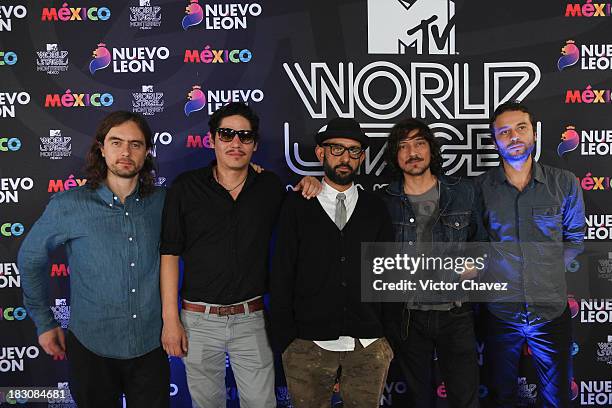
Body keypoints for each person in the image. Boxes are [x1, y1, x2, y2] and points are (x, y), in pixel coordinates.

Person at [18, 111, 170, 408]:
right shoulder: (69, 205)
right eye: (116, 142)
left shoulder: (165, 202)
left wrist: (246, 173)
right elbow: (30, 259)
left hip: (151, 346)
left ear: (147, 152)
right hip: (91, 348)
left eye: (135, 144)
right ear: (102, 148)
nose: (125, 152)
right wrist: (44, 322)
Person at [160, 102, 283, 407]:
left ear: (254, 144)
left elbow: (299, 234)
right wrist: (170, 319)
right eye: (227, 134)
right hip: (197, 320)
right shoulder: (186, 188)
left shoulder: (269, 187)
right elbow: (169, 255)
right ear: (212, 139)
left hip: (251, 318)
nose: (236, 143)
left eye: (245, 136)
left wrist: (310, 185)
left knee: (262, 403)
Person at [270, 117, 395, 408]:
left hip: (368, 344)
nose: (345, 158)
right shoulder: (297, 204)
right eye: (336, 149)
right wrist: (289, 340)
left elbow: (388, 273)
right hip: (307, 343)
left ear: (362, 157)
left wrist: (386, 338)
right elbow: (282, 272)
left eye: (353, 151)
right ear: (320, 153)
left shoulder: (375, 208)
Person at [476, 100, 585, 407]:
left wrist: (545, 272)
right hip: (500, 314)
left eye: (521, 128)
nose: (514, 137)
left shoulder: (564, 183)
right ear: (495, 141)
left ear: (534, 134)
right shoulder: (481, 188)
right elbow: (478, 245)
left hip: (551, 310)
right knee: (499, 396)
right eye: (504, 131)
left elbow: (574, 238)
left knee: (557, 398)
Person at [380, 118, 486, 407]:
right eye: (403, 146)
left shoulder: (463, 191)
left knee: (465, 398)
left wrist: (475, 264)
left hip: (455, 313)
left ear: (431, 150)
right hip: (408, 316)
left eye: (419, 143)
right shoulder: (384, 199)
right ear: (395, 155)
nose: (412, 152)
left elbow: (482, 242)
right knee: (418, 399)